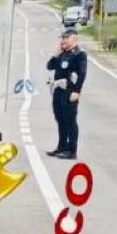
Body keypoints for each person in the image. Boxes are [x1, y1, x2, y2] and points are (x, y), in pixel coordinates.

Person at [47, 29, 86, 159]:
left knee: (70, 120)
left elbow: (81, 74)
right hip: (58, 90)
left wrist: (76, 91)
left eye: (66, 37)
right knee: (60, 120)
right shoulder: (62, 53)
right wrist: (55, 53)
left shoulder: (79, 54)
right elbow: (50, 66)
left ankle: (71, 150)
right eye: (62, 38)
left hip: (69, 90)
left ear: (74, 38)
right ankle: (61, 147)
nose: (63, 40)